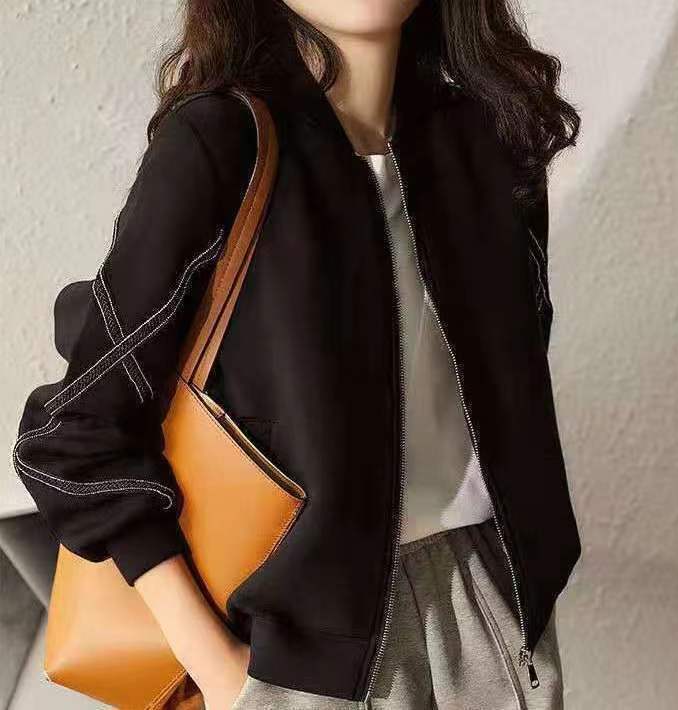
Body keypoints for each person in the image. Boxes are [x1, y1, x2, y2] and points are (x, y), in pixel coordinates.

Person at [12, 1, 582, 708]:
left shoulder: (487, 135)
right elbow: (76, 432)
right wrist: (221, 669)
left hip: (489, 608)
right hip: (295, 654)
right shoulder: (221, 143)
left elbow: (513, 383)